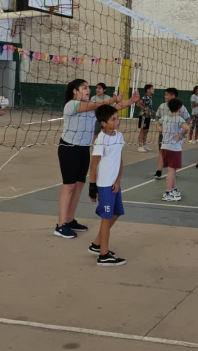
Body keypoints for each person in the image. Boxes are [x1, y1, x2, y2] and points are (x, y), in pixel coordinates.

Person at [55, 79, 138, 239]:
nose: (88, 90)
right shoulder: (71, 105)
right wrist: (112, 99)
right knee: (69, 186)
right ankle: (60, 225)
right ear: (75, 91)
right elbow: (94, 106)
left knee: (79, 186)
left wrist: (130, 102)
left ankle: (69, 220)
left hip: (84, 149)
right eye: (84, 87)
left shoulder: (91, 106)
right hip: (69, 149)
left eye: (88, 87)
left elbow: (111, 111)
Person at [87, 104, 127, 267]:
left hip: (114, 184)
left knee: (116, 213)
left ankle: (97, 244)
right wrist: (92, 187)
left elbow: (120, 160)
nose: (118, 121)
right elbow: (93, 166)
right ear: (103, 123)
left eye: (117, 118)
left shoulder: (119, 136)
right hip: (104, 185)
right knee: (106, 218)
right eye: (114, 119)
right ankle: (103, 255)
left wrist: (117, 181)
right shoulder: (100, 140)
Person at [153, 88, 191, 180]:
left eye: (167, 95)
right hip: (164, 135)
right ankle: (159, 171)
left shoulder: (181, 107)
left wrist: (181, 134)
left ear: (173, 96)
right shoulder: (162, 106)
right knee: (162, 151)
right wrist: (159, 129)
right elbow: (157, 119)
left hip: (175, 137)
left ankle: (172, 171)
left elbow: (188, 120)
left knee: (173, 153)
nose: (165, 96)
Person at [159, 98, 190, 202]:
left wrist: (160, 129)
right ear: (180, 108)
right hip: (174, 148)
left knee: (173, 170)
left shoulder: (165, 117)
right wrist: (181, 136)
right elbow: (187, 128)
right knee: (171, 170)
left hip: (164, 147)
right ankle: (167, 193)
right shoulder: (179, 119)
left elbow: (157, 122)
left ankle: (174, 188)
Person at [136, 84, 155, 152]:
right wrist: (144, 109)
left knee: (146, 130)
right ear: (148, 90)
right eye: (152, 89)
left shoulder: (150, 98)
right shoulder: (144, 98)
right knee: (142, 130)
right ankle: (140, 146)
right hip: (143, 116)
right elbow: (138, 104)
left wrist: (153, 112)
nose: (153, 90)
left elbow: (149, 107)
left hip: (148, 116)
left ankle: (144, 145)